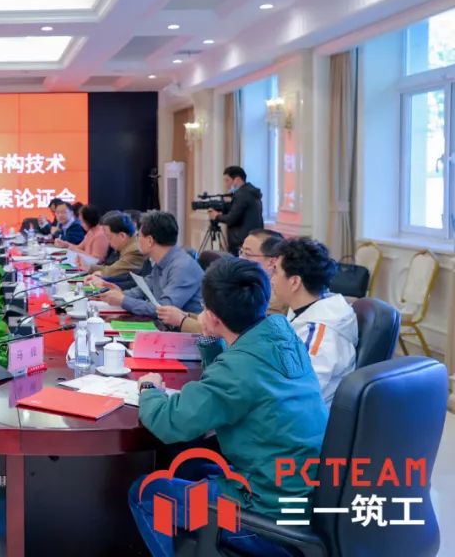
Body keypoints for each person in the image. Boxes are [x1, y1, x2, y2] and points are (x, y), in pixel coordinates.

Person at [129, 258, 327, 557]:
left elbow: (169, 422)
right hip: (298, 493)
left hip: (265, 514)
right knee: (191, 466)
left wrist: (149, 389)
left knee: (146, 493)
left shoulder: (239, 369)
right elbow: (230, 385)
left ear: (212, 315)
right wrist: (210, 339)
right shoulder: (281, 332)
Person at [271, 238, 358, 405]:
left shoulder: (321, 335)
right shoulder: (303, 310)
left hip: (303, 416)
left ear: (295, 282)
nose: (272, 279)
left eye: (275, 272)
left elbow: (298, 393)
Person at [156, 228, 287, 333]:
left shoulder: (275, 297)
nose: (240, 258)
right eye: (241, 252)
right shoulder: (248, 284)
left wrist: (181, 321)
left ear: (272, 262)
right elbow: (221, 319)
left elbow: (228, 332)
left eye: (247, 254)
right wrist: (186, 315)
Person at [90, 211, 203, 319]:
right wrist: (119, 294)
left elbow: (164, 309)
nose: (136, 240)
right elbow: (143, 290)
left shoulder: (183, 267)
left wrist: (123, 300)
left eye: (138, 236)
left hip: (185, 332)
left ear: (149, 241)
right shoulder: (161, 261)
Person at [207, 166, 264, 256]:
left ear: (237, 180)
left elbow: (231, 219)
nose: (225, 184)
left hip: (241, 243)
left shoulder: (241, 194)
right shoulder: (251, 192)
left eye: (227, 180)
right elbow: (242, 214)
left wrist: (216, 216)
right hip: (253, 239)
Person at [84, 212, 146, 283]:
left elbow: (112, 271)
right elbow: (112, 268)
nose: (108, 242)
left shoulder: (134, 250)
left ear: (122, 236)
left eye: (109, 237)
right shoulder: (129, 244)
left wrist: (99, 272)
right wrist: (89, 267)